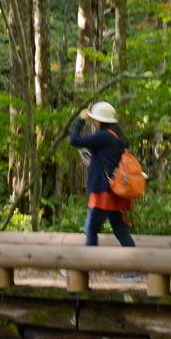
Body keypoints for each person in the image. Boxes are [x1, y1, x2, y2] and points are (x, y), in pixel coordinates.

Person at [69, 101, 136, 248]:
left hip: (102, 192)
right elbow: (109, 161)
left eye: (94, 119)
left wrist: (80, 120)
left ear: (100, 120)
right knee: (120, 231)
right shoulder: (118, 137)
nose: (93, 122)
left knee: (91, 230)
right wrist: (93, 161)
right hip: (115, 192)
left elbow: (74, 140)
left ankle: (86, 266)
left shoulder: (103, 136)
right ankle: (136, 267)